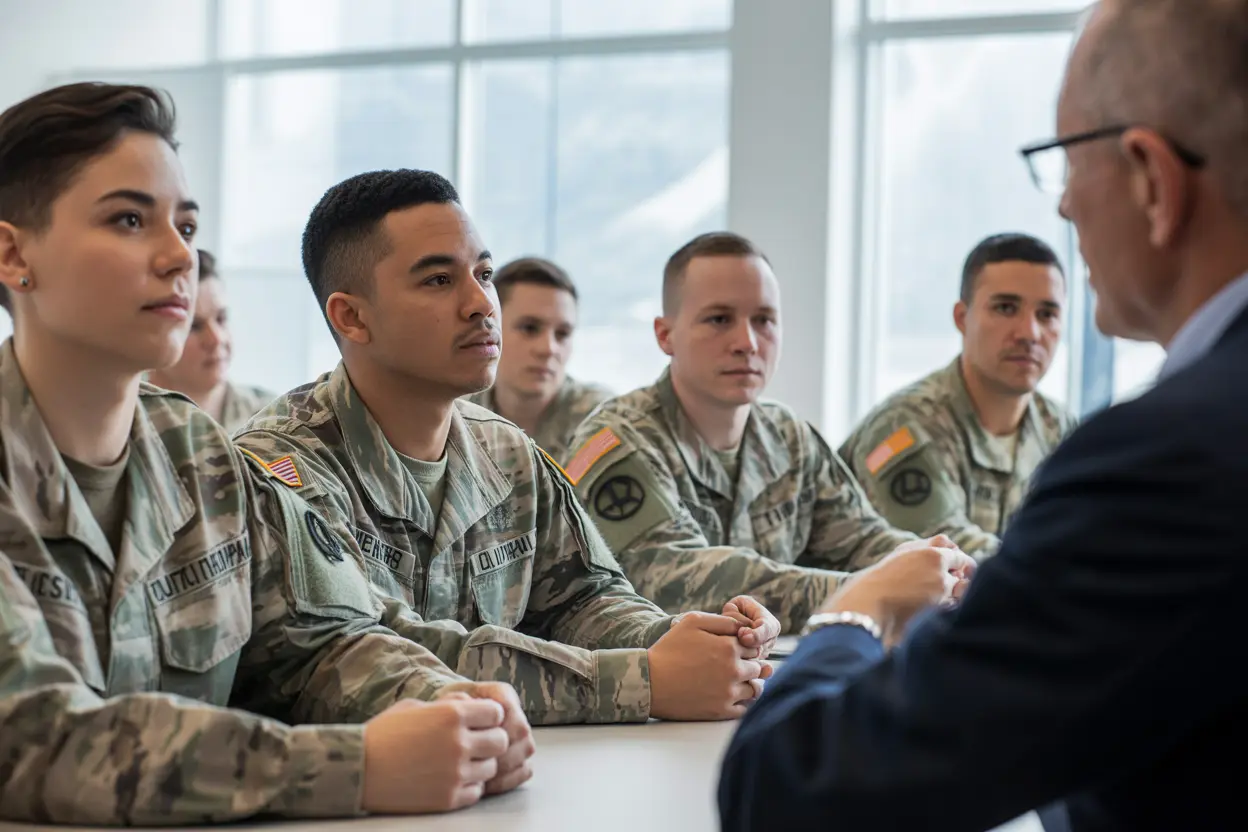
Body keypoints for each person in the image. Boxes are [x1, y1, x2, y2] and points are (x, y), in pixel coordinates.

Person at [719, 1, 1248, 829]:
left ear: (1152, 179)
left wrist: (854, 610)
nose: (1066, 207)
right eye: (1005, 307)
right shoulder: (935, 426)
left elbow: (791, 788)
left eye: (1068, 162)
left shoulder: (1164, 461)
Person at [0, 82, 533, 825]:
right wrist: (360, 768)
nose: (176, 256)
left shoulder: (199, 455)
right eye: (128, 220)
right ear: (12, 252)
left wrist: (448, 705)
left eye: (184, 225)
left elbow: (319, 642)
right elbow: (32, 734)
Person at [234, 169, 780, 726]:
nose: (481, 304)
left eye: (484, 273)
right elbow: (371, 657)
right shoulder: (281, 468)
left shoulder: (506, 452)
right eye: (438, 281)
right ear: (352, 316)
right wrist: (642, 680)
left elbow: (582, 600)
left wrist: (688, 642)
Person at [565, 232, 936, 634]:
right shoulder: (616, 442)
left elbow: (862, 540)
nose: (747, 342)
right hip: (664, 687)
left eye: (764, 320)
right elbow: (674, 578)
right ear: (665, 335)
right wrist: (878, 589)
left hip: (769, 674)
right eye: (719, 319)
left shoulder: (787, 435)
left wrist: (925, 562)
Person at [840, 232, 1077, 555]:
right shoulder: (903, 426)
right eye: (1006, 308)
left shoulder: (1060, 429)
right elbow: (950, 559)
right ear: (962, 318)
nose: (1030, 333)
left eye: (1047, 314)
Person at [464, 256, 611, 461]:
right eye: (529, 328)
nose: (548, 349)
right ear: (490, 328)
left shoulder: (601, 421)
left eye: (562, 334)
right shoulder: (456, 416)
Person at [148, 248, 275, 431]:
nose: (216, 339)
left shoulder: (270, 418)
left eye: (221, 319)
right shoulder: (125, 422)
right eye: (194, 326)